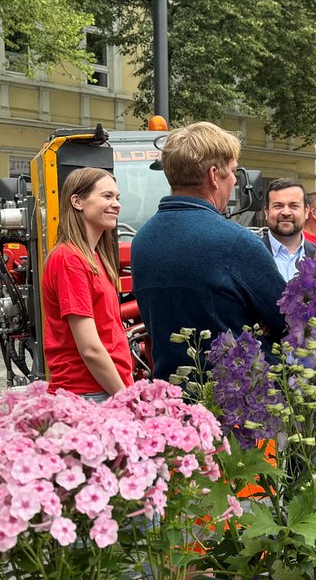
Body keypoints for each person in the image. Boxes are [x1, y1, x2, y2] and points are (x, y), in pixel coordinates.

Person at [131, 122, 287, 381]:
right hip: (234, 402)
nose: (235, 179)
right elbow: (289, 321)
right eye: (233, 170)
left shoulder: (142, 240)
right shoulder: (236, 242)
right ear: (214, 175)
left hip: (169, 399)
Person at [42, 167, 134, 400]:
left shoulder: (93, 258)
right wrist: (126, 399)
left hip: (101, 389)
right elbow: (91, 349)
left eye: (117, 197)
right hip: (88, 393)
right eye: (107, 196)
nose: (116, 204)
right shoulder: (70, 260)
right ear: (77, 202)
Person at [261, 178, 315, 282]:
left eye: (294, 206)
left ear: (306, 211)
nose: (286, 212)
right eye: (278, 206)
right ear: (267, 212)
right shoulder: (251, 254)